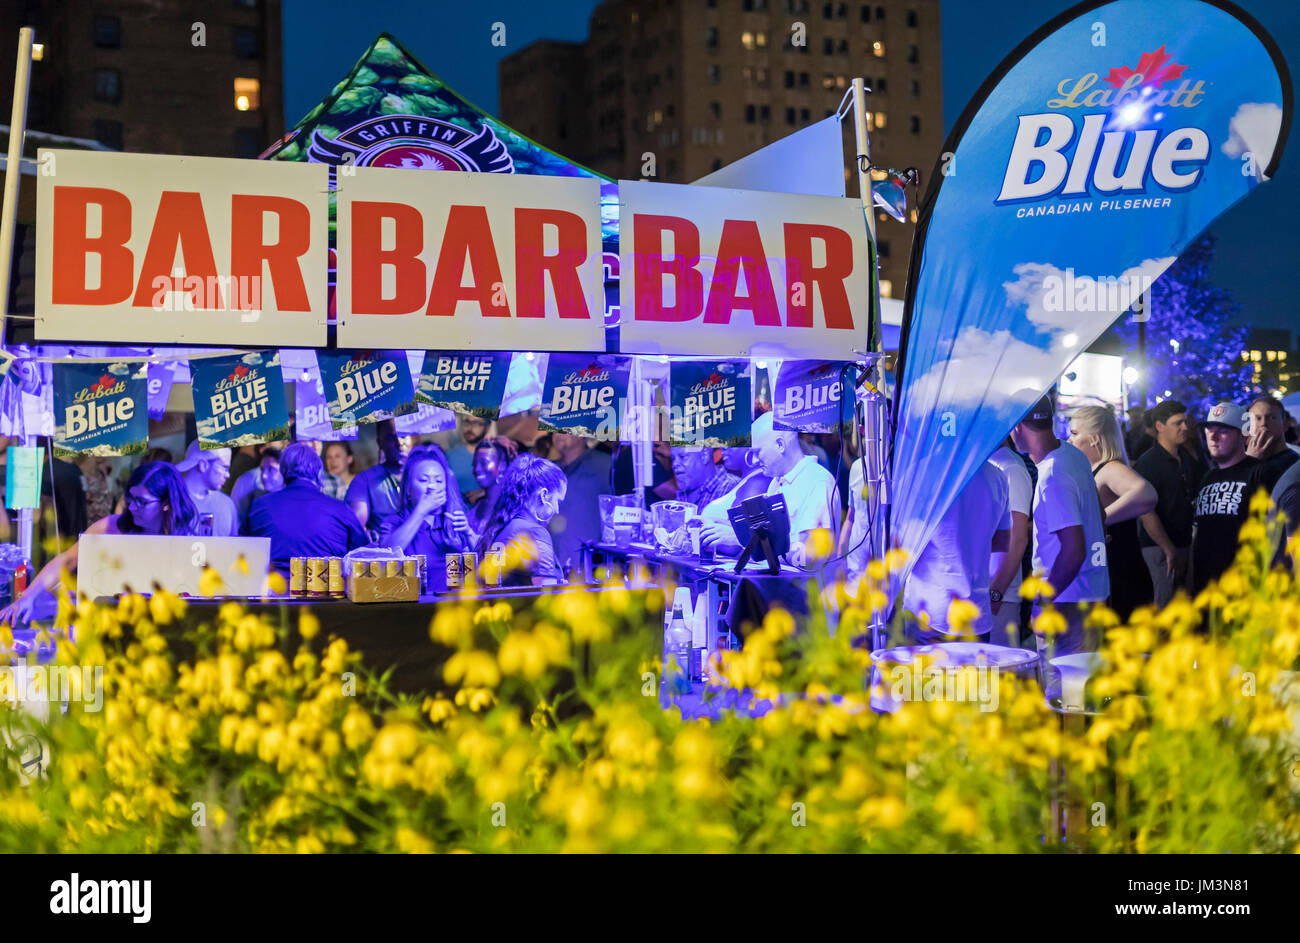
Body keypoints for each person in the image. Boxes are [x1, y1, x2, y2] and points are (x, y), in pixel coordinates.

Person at [1, 462, 199, 625]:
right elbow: (66, 560)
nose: (133, 507)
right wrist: (27, 597)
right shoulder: (111, 527)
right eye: (130, 499)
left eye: (142, 502)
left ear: (167, 503)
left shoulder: (184, 540)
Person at [1011, 395, 1110, 656]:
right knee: (1082, 689)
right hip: (1089, 593)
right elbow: (1099, 515)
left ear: (1017, 427)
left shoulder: (1052, 474)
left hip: (1066, 602)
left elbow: (1074, 550)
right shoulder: (1073, 456)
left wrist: (1043, 602)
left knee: (1063, 693)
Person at [699, 412, 839, 567]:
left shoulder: (816, 481)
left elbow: (811, 554)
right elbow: (770, 541)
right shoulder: (777, 483)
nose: (754, 460)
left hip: (807, 589)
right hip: (782, 587)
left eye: (758, 452)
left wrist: (744, 542)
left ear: (780, 445)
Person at [902, 458, 1011, 643]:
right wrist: (972, 544)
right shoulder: (997, 476)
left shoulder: (922, 472)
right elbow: (1002, 541)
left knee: (924, 673)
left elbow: (903, 542)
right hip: (976, 613)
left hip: (929, 610)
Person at [1068, 406, 1157, 620]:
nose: (1069, 440)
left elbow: (1146, 494)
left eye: (1075, 433)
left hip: (1120, 576)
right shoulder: (1092, 470)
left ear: (1095, 438)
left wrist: (1101, 518)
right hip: (1106, 574)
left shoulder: (1109, 468)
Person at [243, 443, 368, 575]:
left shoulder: (259, 506)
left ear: (283, 471)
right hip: (325, 591)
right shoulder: (341, 509)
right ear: (319, 473)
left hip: (273, 591)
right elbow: (362, 555)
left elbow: (243, 548)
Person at [377, 445, 479, 592]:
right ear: (408, 490)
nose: (432, 487)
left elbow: (486, 566)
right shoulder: (395, 522)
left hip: (454, 607)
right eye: (424, 480)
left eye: (438, 481)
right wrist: (421, 511)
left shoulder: (454, 521)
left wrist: (469, 534)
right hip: (414, 608)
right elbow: (385, 558)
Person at [1190, 402, 1265, 596]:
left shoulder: (1258, 473)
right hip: (1205, 584)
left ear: (1243, 435)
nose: (1213, 437)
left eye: (1223, 431)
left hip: (1243, 585)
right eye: (1209, 430)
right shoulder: (1208, 477)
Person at [1133, 399, 1197, 607]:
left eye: (1185, 422)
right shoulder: (1148, 463)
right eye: (1178, 423)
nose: (1185, 427)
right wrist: (1168, 548)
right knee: (1166, 607)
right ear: (1160, 426)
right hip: (1160, 547)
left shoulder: (1185, 456)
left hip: (1184, 542)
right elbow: (1145, 511)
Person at [477, 453, 567, 586]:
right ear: (544, 496)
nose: (557, 510)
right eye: (557, 501)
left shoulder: (504, 528)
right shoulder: (534, 532)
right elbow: (547, 594)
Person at [988, 436, 1035, 644]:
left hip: (1000, 596)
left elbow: (1017, 539)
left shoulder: (1010, 467)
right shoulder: (987, 462)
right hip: (985, 594)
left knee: (1000, 672)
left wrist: (995, 594)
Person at [547, 432, 612, 577]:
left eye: (564, 429)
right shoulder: (549, 470)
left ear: (583, 433)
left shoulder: (605, 465)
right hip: (555, 569)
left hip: (593, 569)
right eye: (554, 430)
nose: (558, 435)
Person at [346, 420, 418, 543]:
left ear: (414, 439)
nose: (399, 443)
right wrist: (365, 535)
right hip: (386, 554)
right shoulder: (364, 480)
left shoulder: (431, 475)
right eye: (391, 437)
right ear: (380, 443)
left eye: (403, 436)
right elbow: (353, 528)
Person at [176, 440, 239, 537]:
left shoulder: (227, 504)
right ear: (203, 465)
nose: (227, 475)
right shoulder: (172, 501)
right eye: (224, 468)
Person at [1245, 395, 1299, 493]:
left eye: (1272, 418)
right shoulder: (1243, 460)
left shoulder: (1295, 463)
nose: (1263, 423)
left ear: (1285, 424)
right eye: (1257, 418)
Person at [670, 447, 740, 513]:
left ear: (704, 455)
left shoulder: (731, 489)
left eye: (682, 457)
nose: (674, 464)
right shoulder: (682, 494)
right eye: (673, 459)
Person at [231, 445, 284, 530]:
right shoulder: (257, 502)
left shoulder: (292, 501)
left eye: (271, 469)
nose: (264, 476)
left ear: (285, 471)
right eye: (262, 469)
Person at [469, 437, 515, 533]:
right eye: (474, 464)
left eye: (484, 462)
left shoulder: (511, 507)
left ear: (501, 466)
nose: (477, 469)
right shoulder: (479, 505)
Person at [444, 415, 490, 501]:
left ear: (487, 427)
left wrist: (488, 493)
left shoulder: (498, 457)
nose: (470, 427)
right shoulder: (448, 456)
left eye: (476, 423)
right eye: (466, 422)